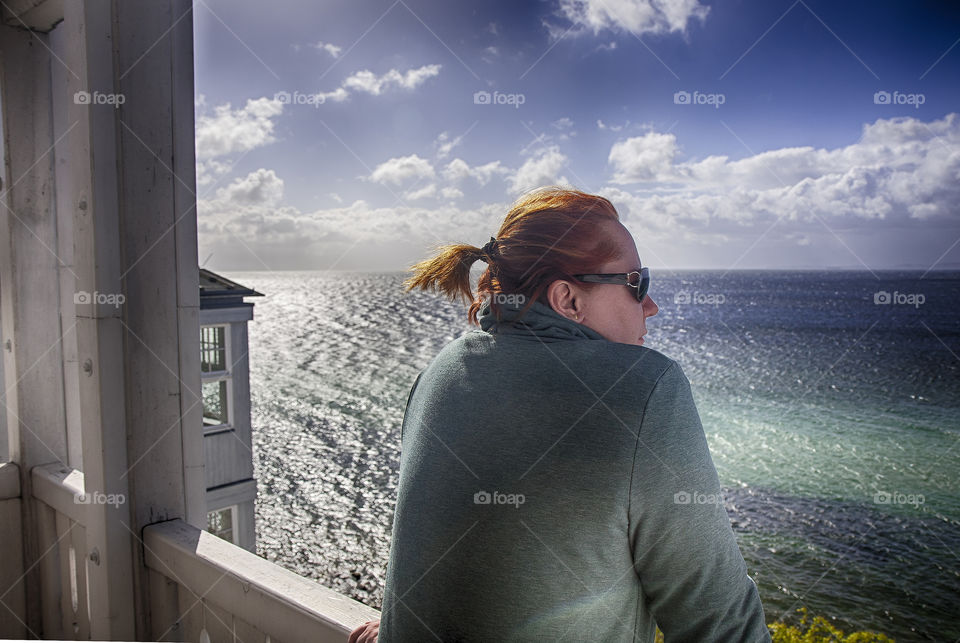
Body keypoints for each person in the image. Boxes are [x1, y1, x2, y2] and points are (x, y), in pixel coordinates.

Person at [349, 187, 770, 642]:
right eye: (637, 283)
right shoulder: (644, 389)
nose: (651, 305)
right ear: (568, 299)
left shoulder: (441, 371)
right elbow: (721, 625)